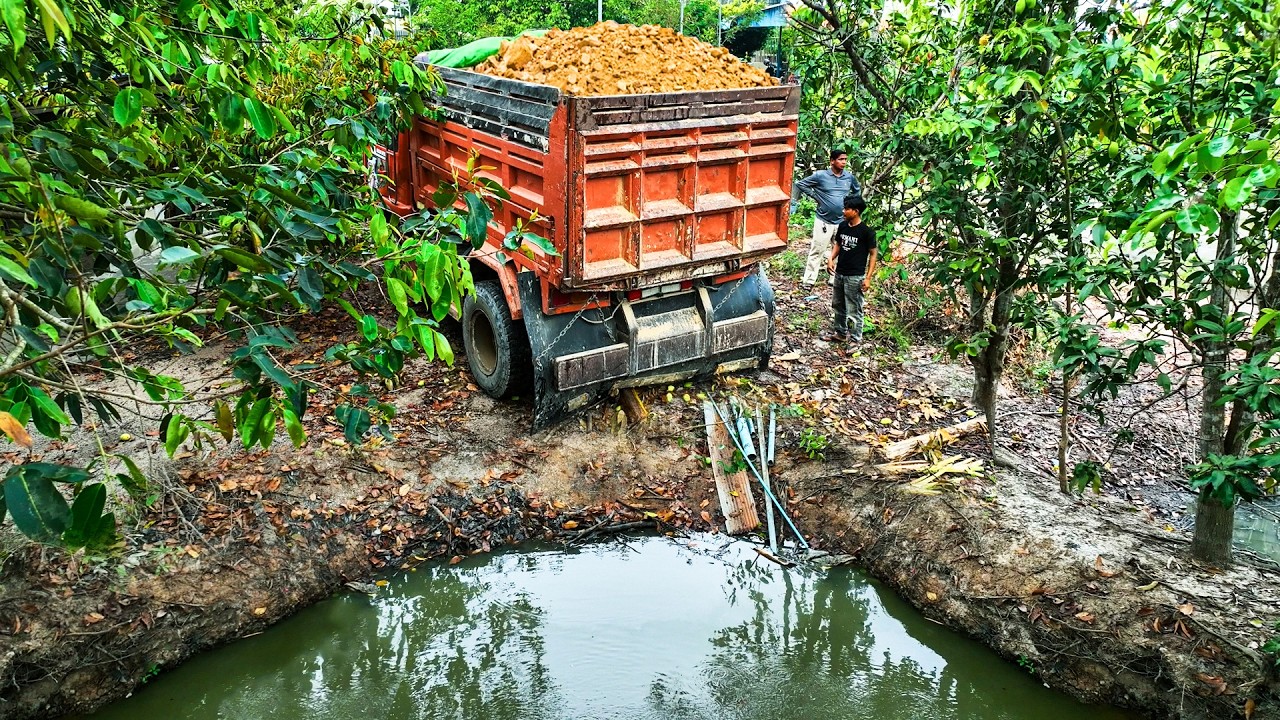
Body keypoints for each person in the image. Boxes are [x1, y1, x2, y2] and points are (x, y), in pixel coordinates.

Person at [791, 149, 863, 288]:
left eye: (845, 160)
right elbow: (801, 184)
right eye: (840, 159)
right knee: (817, 250)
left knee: (841, 249)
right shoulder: (820, 176)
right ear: (832, 161)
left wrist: (851, 204)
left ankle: (834, 279)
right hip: (823, 220)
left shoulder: (848, 177)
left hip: (842, 221)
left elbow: (856, 191)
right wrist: (816, 197)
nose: (844, 162)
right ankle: (809, 281)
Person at [823, 195, 877, 343]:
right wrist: (831, 258)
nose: (843, 211)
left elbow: (873, 254)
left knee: (853, 309)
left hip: (855, 276)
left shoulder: (867, 232)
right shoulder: (843, 226)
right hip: (840, 273)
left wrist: (868, 277)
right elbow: (838, 244)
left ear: (856, 211)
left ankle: (854, 339)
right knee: (838, 304)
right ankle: (840, 332)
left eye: (847, 209)